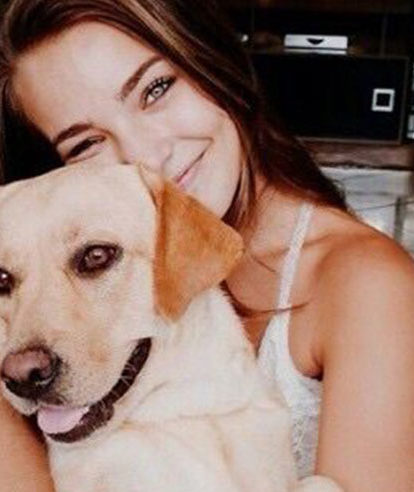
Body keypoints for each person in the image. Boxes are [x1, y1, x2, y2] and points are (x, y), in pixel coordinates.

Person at [0, 0, 414, 490]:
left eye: (156, 89)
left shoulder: (367, 284)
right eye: (85, 144)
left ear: (213, 63)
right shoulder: (41, 310)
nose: (145, 155)